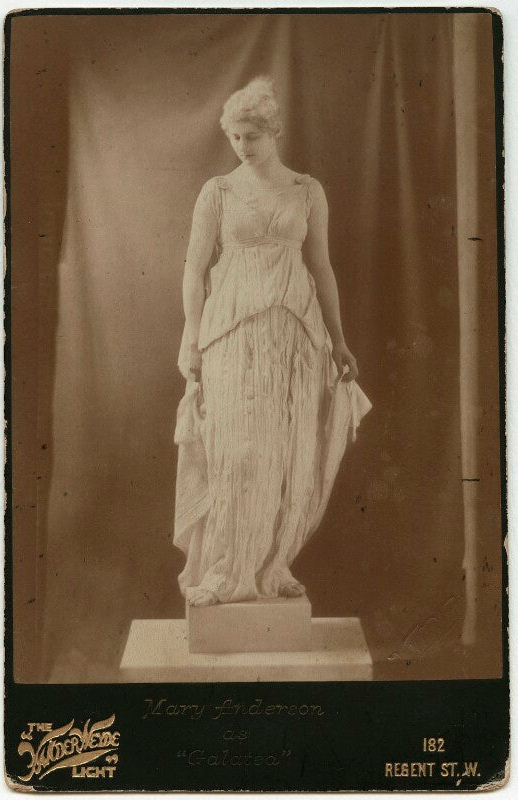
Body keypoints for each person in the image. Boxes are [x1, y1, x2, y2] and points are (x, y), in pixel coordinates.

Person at [174, 76, 372, 608]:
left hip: (295, 333)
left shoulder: (307, 191)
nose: (243, 146)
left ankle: (275, 565)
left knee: (290, 452)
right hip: (232, 331)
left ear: (275, 132)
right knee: (236, 452)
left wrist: (338, 340)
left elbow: (321, 267)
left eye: (253, 136)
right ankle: (225, 570)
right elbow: (193, 269)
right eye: (235, 137)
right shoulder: (218, 192)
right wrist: (191, 338)